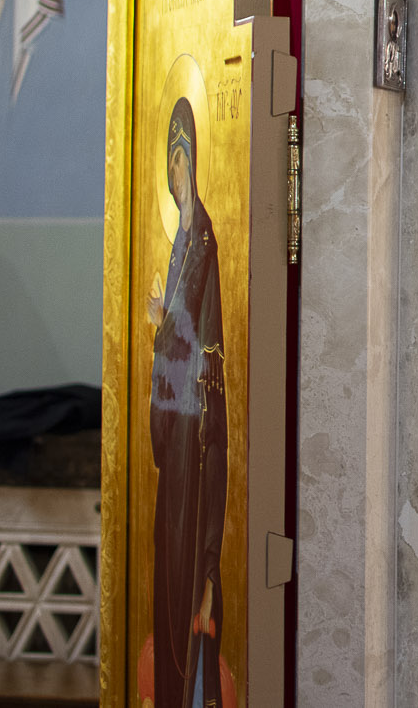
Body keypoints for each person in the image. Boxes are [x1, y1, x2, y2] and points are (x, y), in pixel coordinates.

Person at [150, 96, 226, 708]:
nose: (176, 174)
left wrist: (160, 321)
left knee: (188, 568)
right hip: (172, 430)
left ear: (193, 161)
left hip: (193, 430)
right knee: (166, 566)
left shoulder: (199, 238)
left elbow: (188, 329)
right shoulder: (181, 237)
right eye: (171, 164)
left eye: (182, 162)